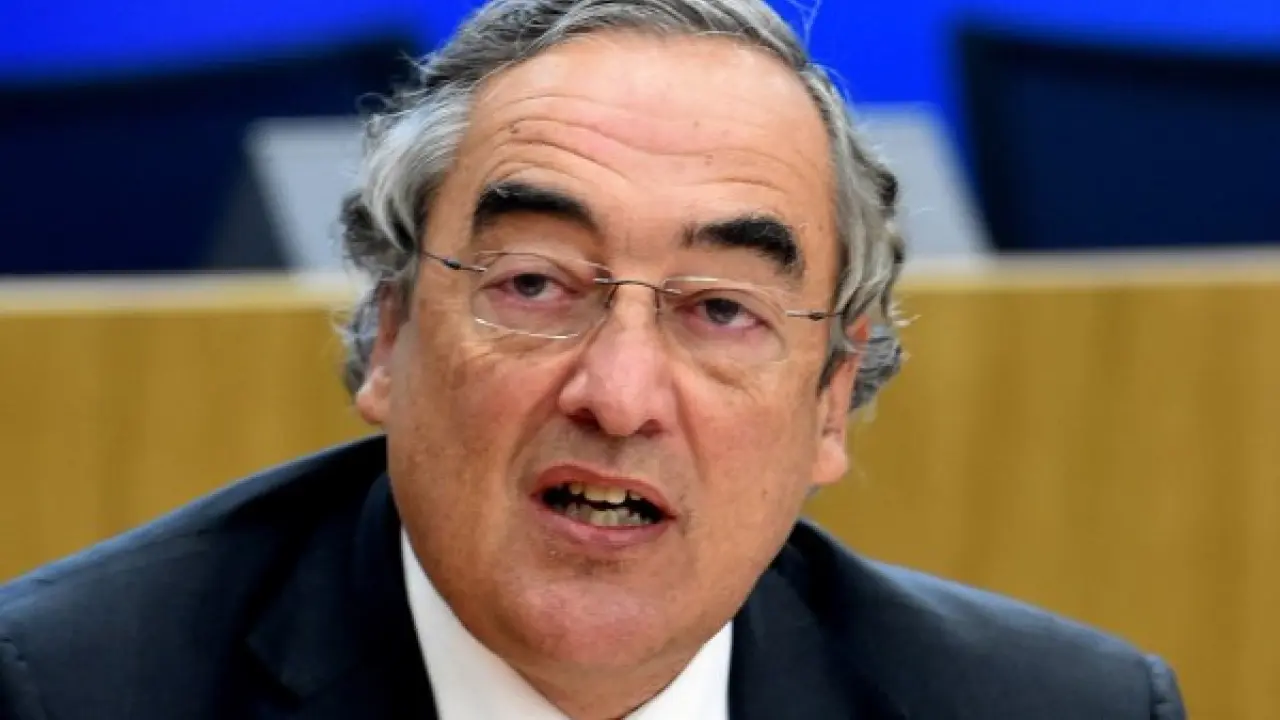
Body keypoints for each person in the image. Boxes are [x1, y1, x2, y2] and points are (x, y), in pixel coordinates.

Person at [0, 1, 1186, 718]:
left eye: (718, 309)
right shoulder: (64, 692)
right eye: (533, 285)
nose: (617, 397)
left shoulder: (1060, 712)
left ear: (831, 398)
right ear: (391, 332)